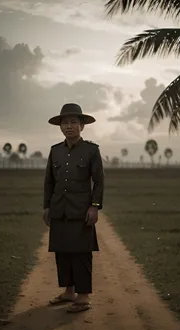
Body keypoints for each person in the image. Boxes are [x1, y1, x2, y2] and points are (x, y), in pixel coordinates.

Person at [42, 103, 104, 313]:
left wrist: (94, 207)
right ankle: (68, 292)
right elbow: (49, 182)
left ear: (82, 126)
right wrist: (46, 206)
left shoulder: (91, 150)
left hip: (81, 211)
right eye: (65, 123)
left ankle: (83, 297)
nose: (69, 126)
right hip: (59, 209)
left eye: (74, 122)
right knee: (62, 252)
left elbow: (99, 181)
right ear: (60, 127)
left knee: (81, 253)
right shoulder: (55, 151)